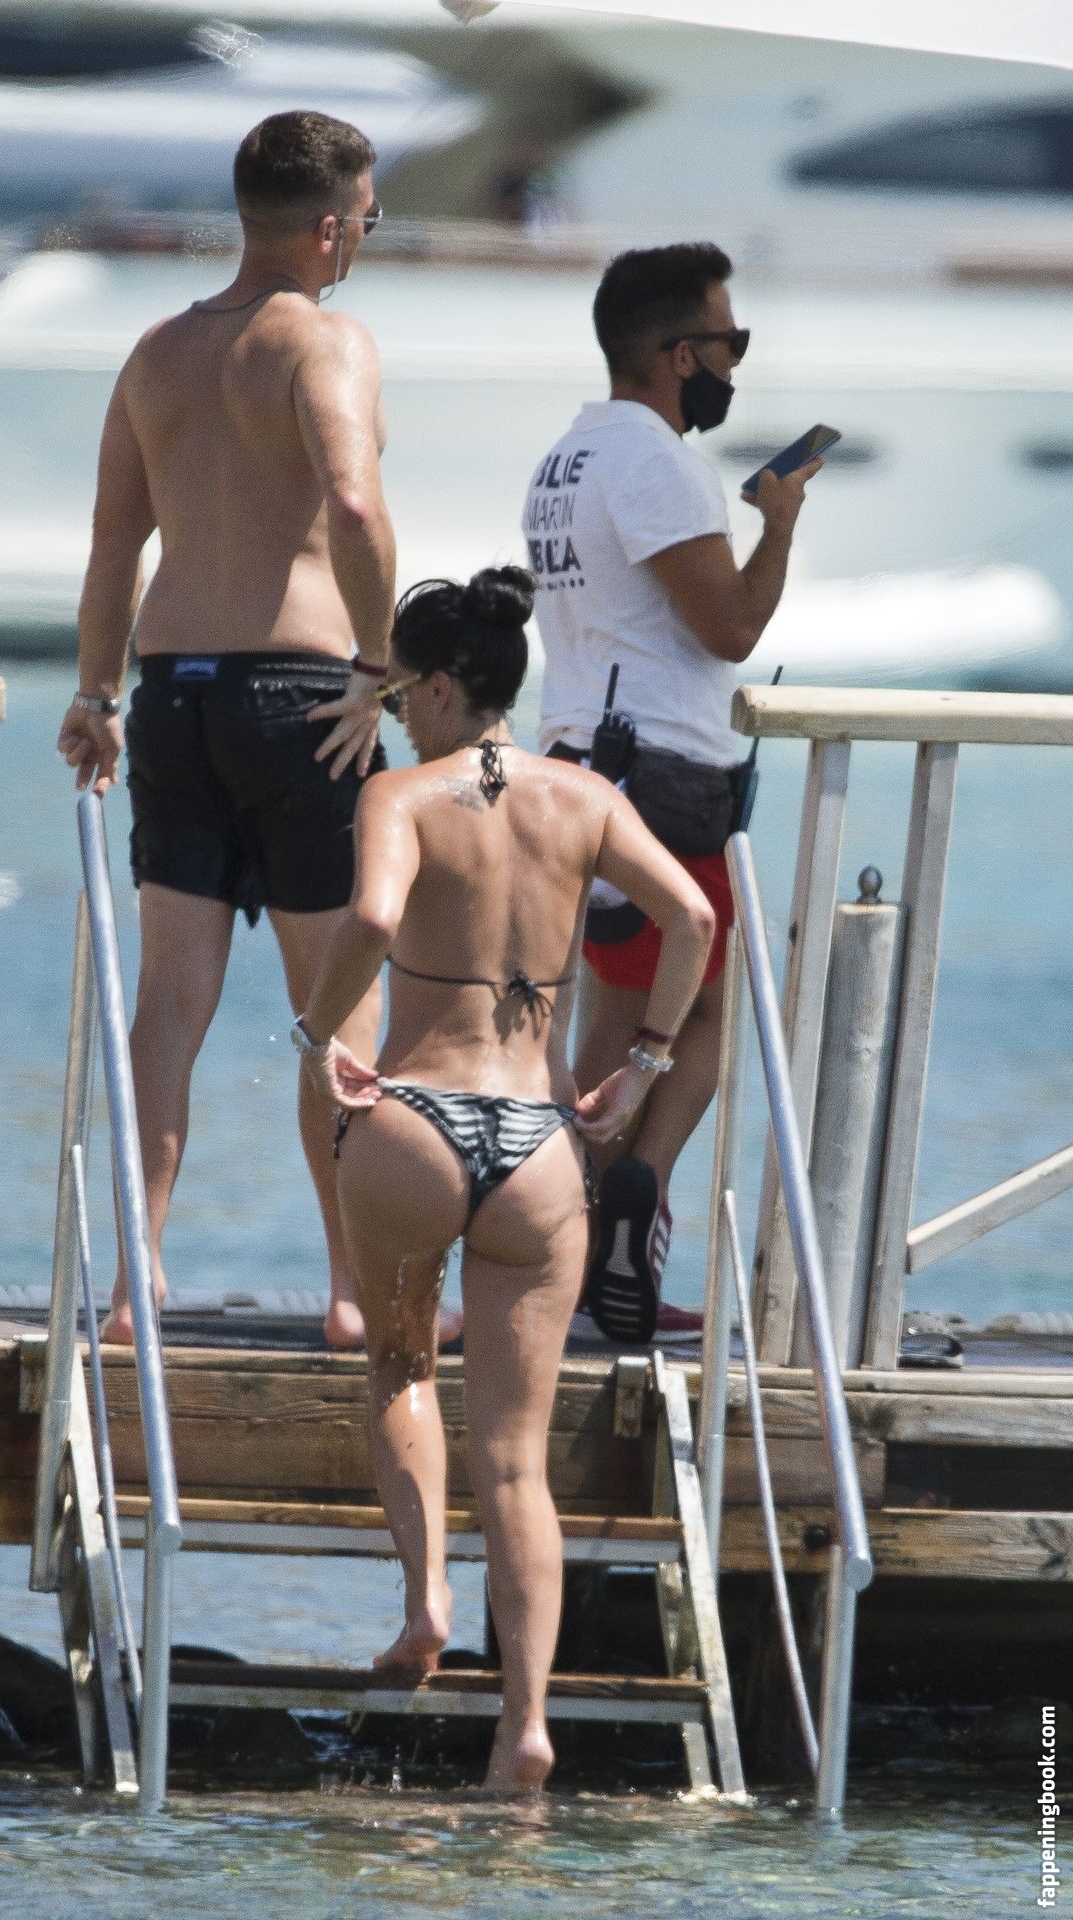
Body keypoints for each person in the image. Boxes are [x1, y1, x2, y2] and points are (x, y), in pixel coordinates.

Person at [294, 567, 714, 1789]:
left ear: (436, 688)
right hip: (536, 1145)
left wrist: (316, 1036)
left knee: (401, 1367)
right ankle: (523, 1728)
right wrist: (641, 1065)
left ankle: (425, 1600)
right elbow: (691, 918)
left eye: (399, 695)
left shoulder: (401, 793)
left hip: (416, 1125)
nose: (394, 717)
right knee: (517, 1458)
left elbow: (374, 923)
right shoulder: (584, 797)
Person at [57, 109, 405, 1351]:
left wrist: (95, 697)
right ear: (329, 229)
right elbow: (353, 505)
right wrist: (380, 668)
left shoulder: (155, 353)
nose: (365, 238)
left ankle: (133, 1276)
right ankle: (354, 1289)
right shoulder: (325, 342)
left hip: (173, 694)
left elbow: (114, 546)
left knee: (168, 1002)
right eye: (368, 220)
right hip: (300, 698)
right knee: (335, 1008)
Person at [523, 242, 820, 1343]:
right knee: (707, 1008)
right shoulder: (654, 460)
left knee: (611, 1016)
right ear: (677, 353)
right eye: (728, 342)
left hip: (576, 758)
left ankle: (564, 1255)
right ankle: (634, 1195)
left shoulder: (565, 457)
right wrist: (777, 526)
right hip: (659, 771)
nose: (734, 362)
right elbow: (729, 626)